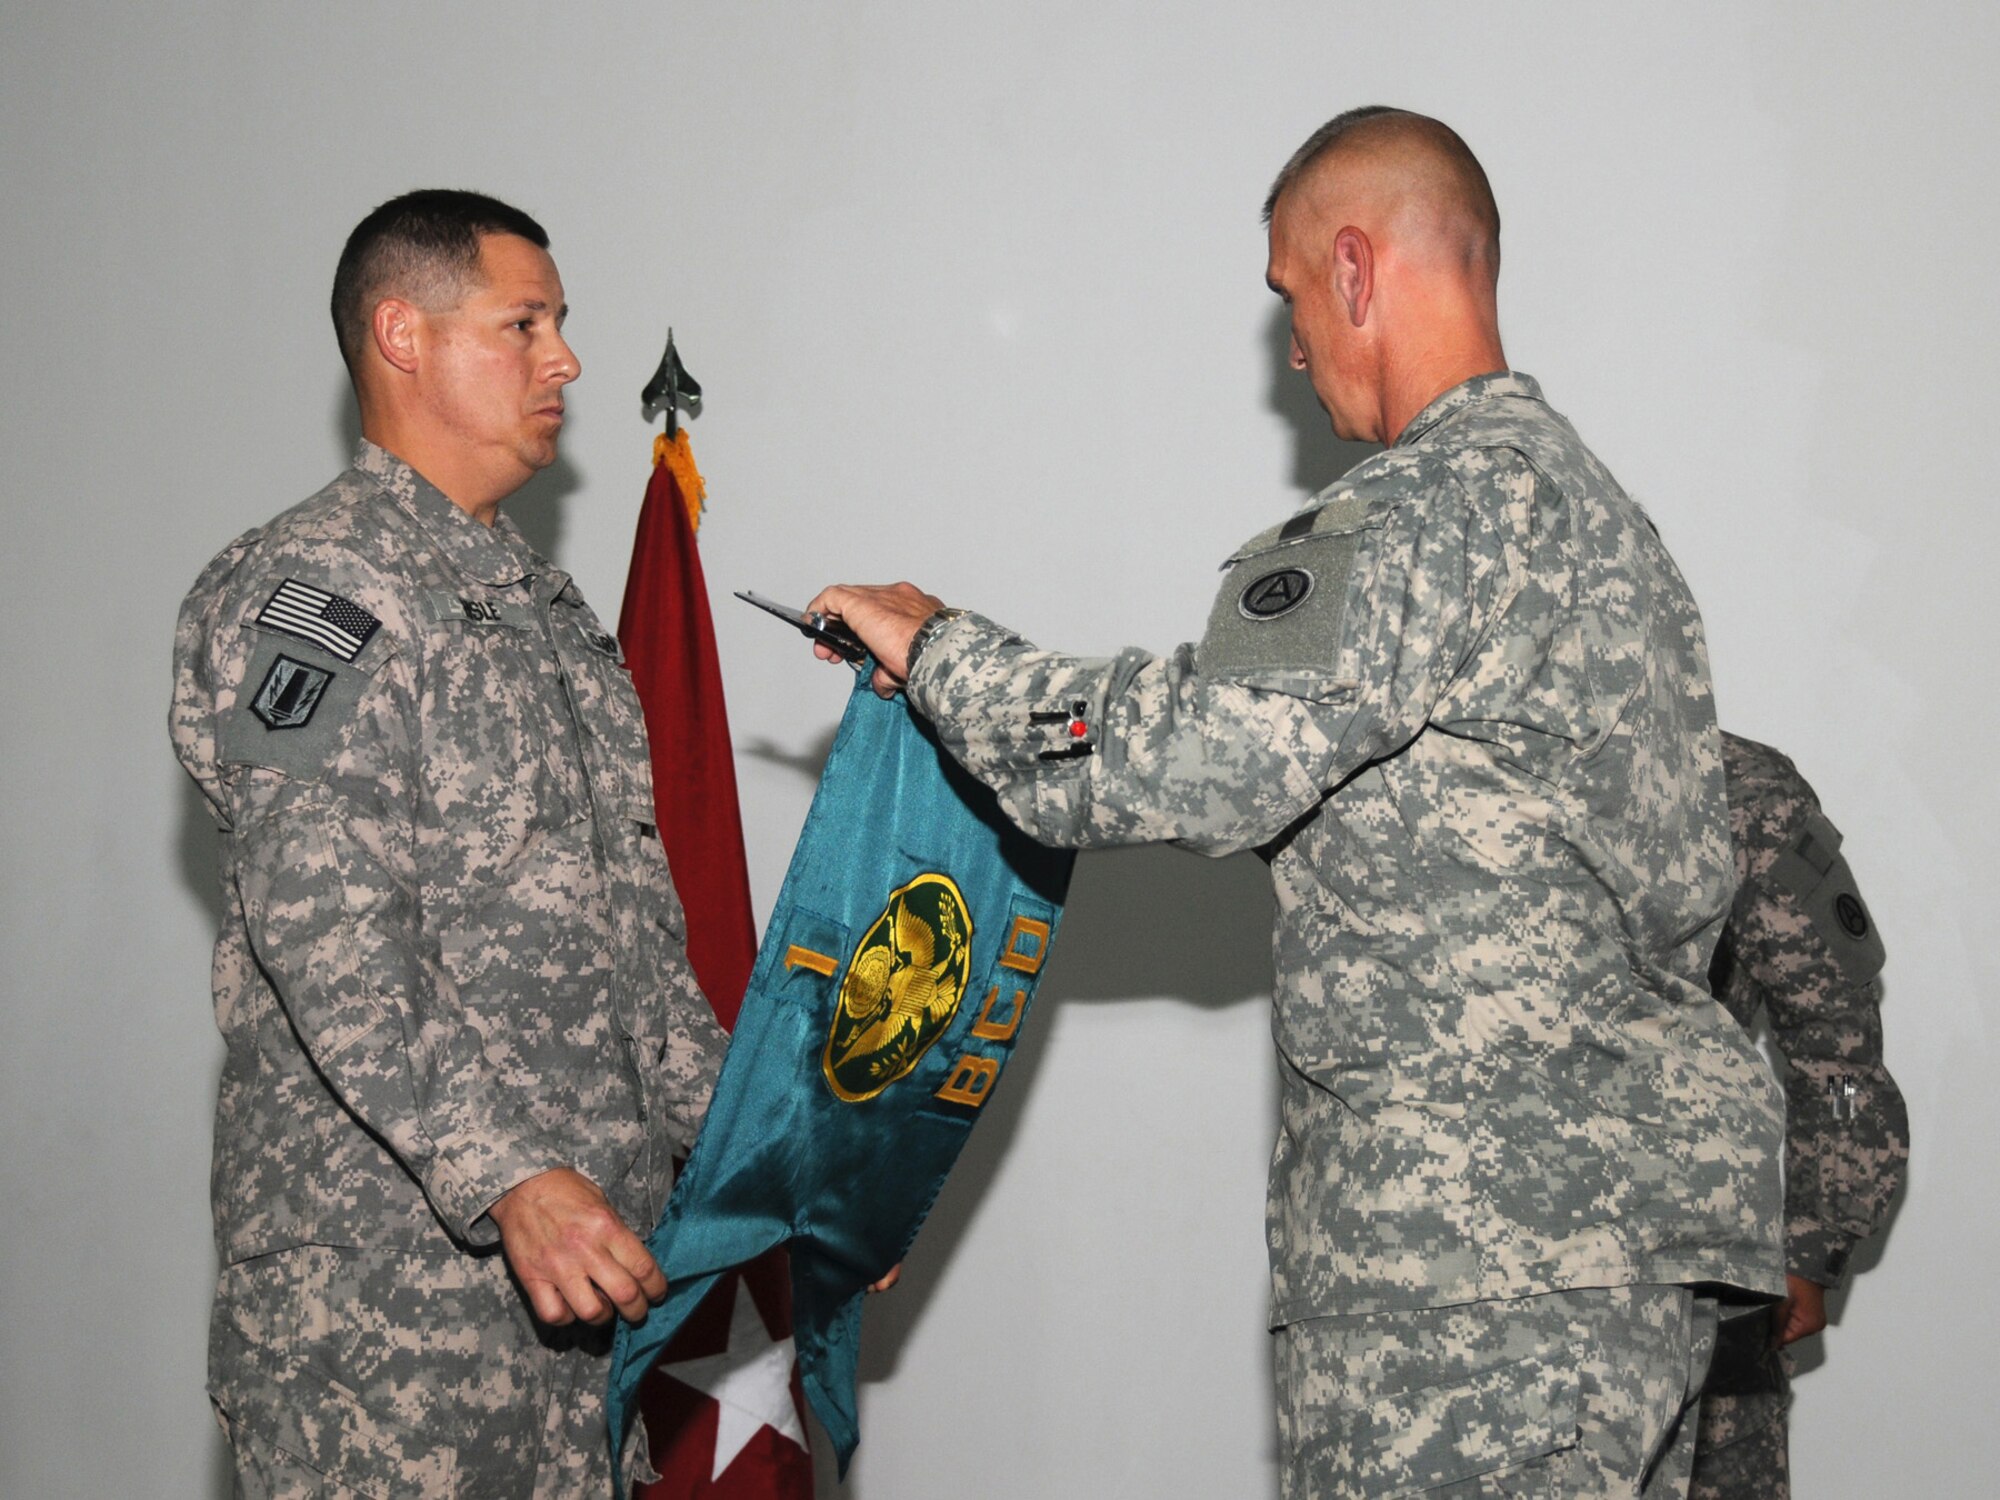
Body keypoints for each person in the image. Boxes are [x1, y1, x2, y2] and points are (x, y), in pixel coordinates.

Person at [808, 108, 1786, 1497]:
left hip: (1471, 1277)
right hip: (1614, 1257)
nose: (1291, 345)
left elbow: (1194, 756)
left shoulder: (1430, 505)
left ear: (1351, 267)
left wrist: (946, 651)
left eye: (1286, 297)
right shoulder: (1611, 528)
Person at [170, 190, 729, 1497]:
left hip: (574, 1296)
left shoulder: (535, 606)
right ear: (402, 334)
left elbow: (634, 956)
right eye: (523, 323)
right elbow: (322, 915)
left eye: (562, 325)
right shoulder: (312, 594)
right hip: (387, 1323)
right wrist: (512, 1175)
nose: (568, 361)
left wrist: (784, 1167)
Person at [1690, 732, 1909, 1500]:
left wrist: (1813, 1242)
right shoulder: (1413, 759)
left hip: (1699, 1275)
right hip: (1467, 1283)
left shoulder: (1738, 789)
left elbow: (1837, 1053)